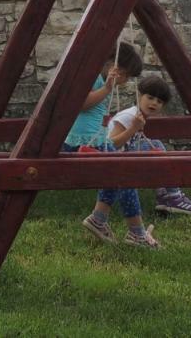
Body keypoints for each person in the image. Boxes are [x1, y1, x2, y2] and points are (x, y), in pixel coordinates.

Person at [61, 43, 163, 248]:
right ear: (111, 65)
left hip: (93, 142)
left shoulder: (99, 79)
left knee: (119, 174)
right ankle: (135, 233)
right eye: (124, 75)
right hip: (81, 144)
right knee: (123, 175)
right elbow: (80, 104)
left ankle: (100, 220)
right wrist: (107, 87)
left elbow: (111, 141)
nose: (124, 81)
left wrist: (133, 129)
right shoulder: (95, 78)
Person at [107, 75, 191, 216]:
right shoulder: (129, 116)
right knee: (155, 146)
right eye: (150, 97)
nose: (154, 103)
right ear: (139, 95)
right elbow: (111, 144)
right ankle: (173, 196)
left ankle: (164, 195)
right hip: (110, 160)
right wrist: (133, 128)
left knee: (154, 148)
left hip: (121, 158)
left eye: (159, 101)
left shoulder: (138, 116)